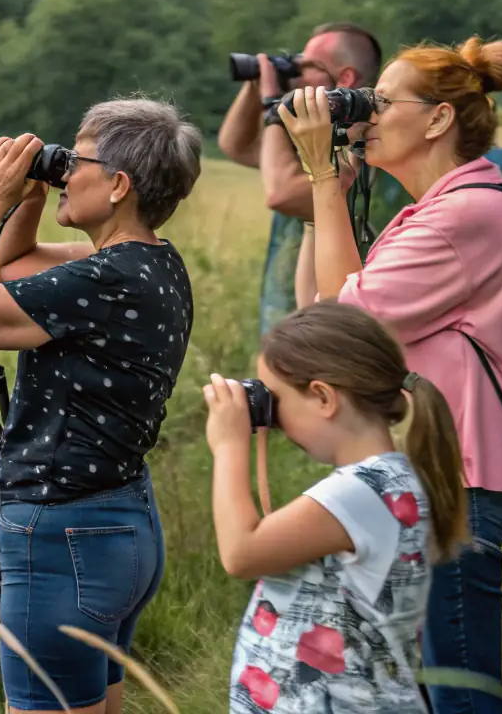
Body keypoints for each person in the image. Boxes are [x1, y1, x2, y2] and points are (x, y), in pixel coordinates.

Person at [0, 98, 203, 714]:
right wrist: (33, 195)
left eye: (77, 161)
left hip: (63, 533)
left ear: (119, 185)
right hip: (120, 526)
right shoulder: (152, 263)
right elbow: (16, 267)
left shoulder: (100, 281)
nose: (65, 170)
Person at [278, 36, 502, 714]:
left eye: (382, 101)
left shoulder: (466, 214)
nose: (366, 115)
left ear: (437, 119)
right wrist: (324, 198)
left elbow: (345, 327)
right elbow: (318, 315)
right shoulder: (431, 213)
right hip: (440, 475)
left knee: (456, 692)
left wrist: (316, 182)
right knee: (423, 688)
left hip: (460, 482)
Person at [203, 301, 469, 713]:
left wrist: (229, 446)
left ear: (323, 397)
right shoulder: (389, 482)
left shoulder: (361, 491)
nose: (276, 419)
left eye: (277, 401)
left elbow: (241, 552)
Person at [216, 23, 411, 337]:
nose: (298, 76)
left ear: (345, 79)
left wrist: (273, 107)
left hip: (334, 334)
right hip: (296, 325)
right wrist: (258, 85)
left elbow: (280, 193)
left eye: (307, 67)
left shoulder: (362, 152)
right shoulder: (320, 142)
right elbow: (237, 146)